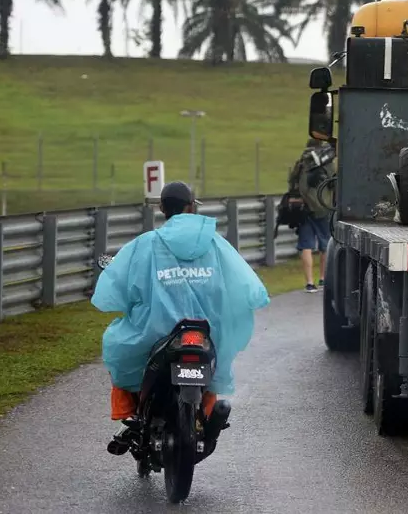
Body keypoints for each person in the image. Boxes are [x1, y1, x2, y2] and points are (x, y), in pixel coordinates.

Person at [91, 181, 270, 450]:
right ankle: (208, 416)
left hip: (156, 331)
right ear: (191, 207)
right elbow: (244, 283)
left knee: (118, 349)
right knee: (215, 369)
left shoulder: (146, 244)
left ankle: (129, 418)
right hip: (208, 330)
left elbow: (119, 284)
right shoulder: (215, 243)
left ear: (162, 208)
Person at [276, 138, 336, 292]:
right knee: (326, 245)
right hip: (323, 208)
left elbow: (292, 184)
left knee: (306, 245)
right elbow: (334, 183)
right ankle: (323, 278)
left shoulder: (301, 163)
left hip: (303, 209)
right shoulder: (327, 163)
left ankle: (309, 282)